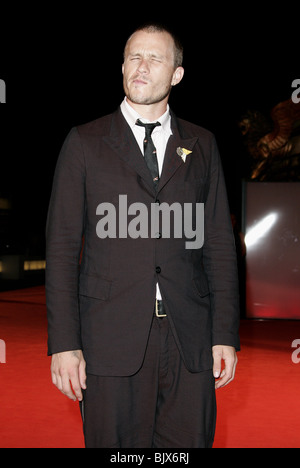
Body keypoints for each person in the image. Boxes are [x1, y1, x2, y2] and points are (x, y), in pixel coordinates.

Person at [46, 23, 240, 449]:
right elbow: (61, 249)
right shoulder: (85, 142)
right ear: (121, 67)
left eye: (155, 58)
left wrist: (223, 332)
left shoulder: (202, 145)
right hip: (107, 338)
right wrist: (64, 344)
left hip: (189, 338)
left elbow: (219, 246)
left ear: (176, 74)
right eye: (134, 56)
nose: (141, 66)